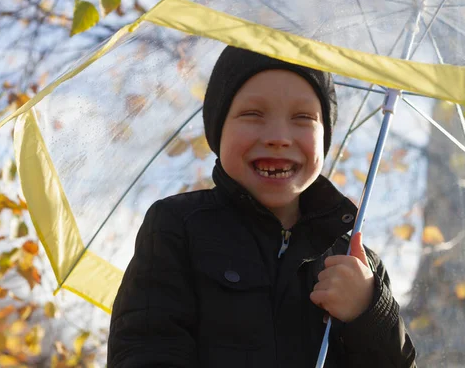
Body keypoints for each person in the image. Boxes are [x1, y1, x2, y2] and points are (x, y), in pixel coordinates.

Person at [107, 45, 417, 367]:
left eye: (302, 118)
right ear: (218, 130)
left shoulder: (355, 263)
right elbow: (146, 347)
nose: (278, 137)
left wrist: (369, 312)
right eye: (253, 114)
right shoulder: (178, 227)